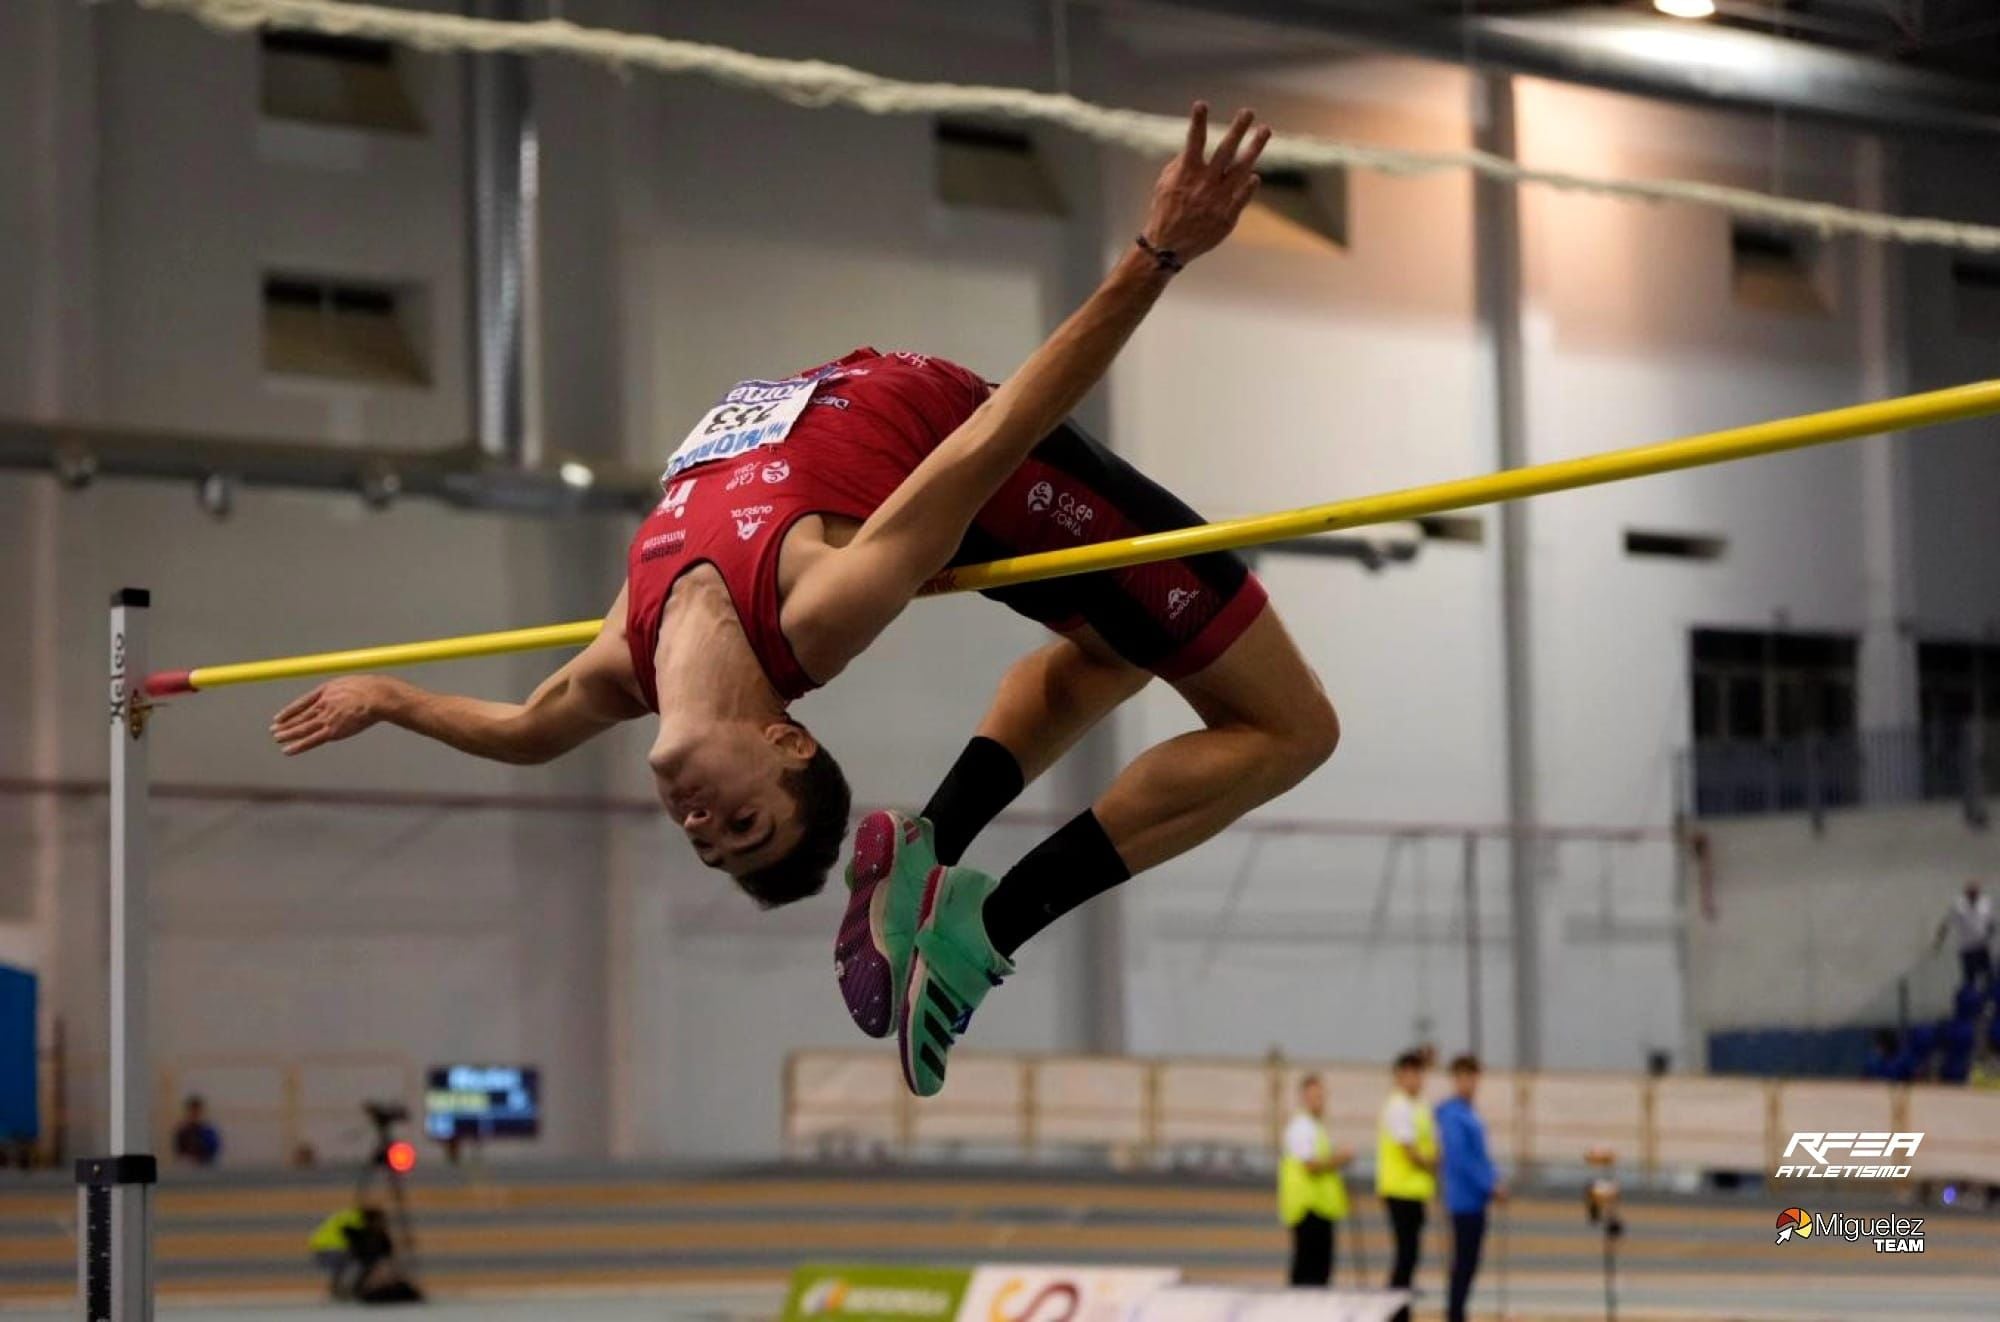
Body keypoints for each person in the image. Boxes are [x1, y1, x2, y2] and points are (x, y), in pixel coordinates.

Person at [267, 106, 1339, 1097]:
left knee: (1114, 649)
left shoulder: (623, 657)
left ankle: (932, 842)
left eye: (706, 839)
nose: (701, 820)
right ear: (785, 740)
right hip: (965, 445)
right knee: (1288, 728)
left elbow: (521, 732)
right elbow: (999, 431)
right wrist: (1154, 257)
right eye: (744, 822)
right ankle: (989, 924)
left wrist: (389, 696)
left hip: (864, 405)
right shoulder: (821, 607)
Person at [1434, 1055, 1505, 1322]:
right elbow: (1461, 1157)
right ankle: (1455, 1314)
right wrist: (1488, 1184)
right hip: (1463, 1198)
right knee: (1463, 1263)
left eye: (1472, 1077)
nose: (1469, 1083)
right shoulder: (1453, 1115)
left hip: (1476, 1199)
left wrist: (1495, 1178)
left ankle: (1458, 1312)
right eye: (1463, 1077)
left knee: (1470, 1263)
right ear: (1455, 1080)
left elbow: (1480, 1155)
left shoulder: (1469, 1113)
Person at [1376, 1050, 1436, 1322]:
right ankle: (1395, 1313)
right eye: (1410, 1073)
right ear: (1399, 1076)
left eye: (1419, 1073)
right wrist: (1431, 1162)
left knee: (1410, 1257)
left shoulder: (1418, 1105)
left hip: (1415, 1191)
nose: (1416, 1079)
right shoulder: (1398, 1105)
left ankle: (1401, 1310)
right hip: (1400, 1190)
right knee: (1405, 1256)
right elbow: (1409, 1148)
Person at [1279, 1074, 1353, 1287]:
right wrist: (1341, 1159)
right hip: (1308, 1208)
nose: (1318, 1101)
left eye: (1320, 1096)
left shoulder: (1315, 1127)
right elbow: (1310, 1165)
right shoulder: (1302, 1127)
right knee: (1310, 1269)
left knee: (1318, 1268)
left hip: (1319, 1207)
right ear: (1303, 1098)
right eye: (1313, 1097)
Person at [1935, 881, 1993, 993]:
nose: (1974, 895)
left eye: (1976, 893)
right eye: (1971, 893)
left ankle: (1988, 1000)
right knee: (1970, 978)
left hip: (1982, 946)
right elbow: (1946, 924)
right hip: (1967, 948)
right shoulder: (1958, 906)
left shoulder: (1985, 903)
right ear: (1966, 894)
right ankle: (1972, 1001)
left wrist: (1990, 934)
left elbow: (1989, 921)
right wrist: (1939, 942)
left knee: (1988, 975)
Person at [171, 1095, 221, 1167]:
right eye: (192, 1111)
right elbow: (178, 1150)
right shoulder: (183, 1131)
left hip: (206, 1164)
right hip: (187, 1164)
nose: (195, 1114)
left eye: (197, 1111)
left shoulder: (208, 1131)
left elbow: (214, 1148)